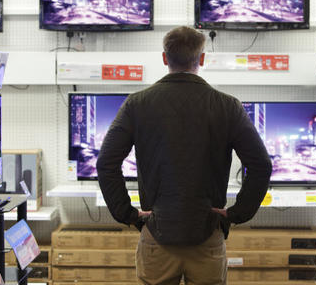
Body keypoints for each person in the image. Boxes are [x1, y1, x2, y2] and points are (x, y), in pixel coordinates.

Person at [96, 26, 272, 285]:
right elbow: (261, 166)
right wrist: (236, 213)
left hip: (156, 235)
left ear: (165, 58)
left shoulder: (137, 104)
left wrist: (128, 214)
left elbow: (106, 164)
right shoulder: (227, 106)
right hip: (207, 235)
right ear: (201, 59)